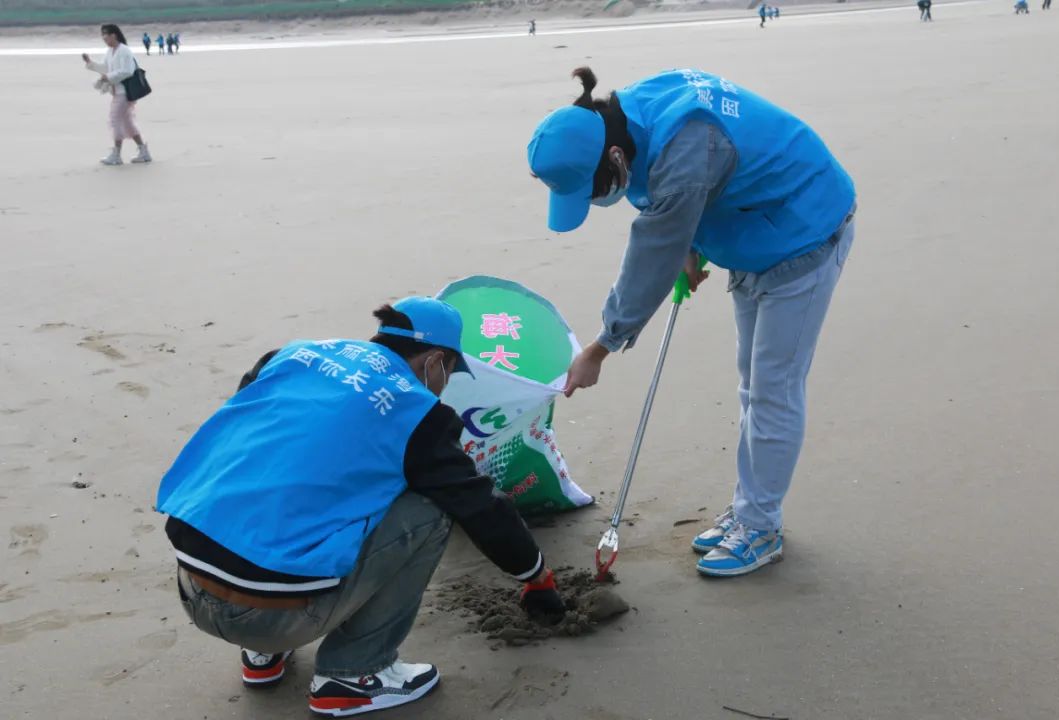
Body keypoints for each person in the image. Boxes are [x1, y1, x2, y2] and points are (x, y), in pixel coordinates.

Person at [157, 297, 567, 716]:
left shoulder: (289, 356)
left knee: (276, 471)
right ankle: (355, 673)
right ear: (434, 361)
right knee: (430, 505)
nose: (445, 384)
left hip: (192, 584)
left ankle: (262, 656)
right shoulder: (418, 412)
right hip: (268, 614)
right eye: (449, 373)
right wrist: (536, 576)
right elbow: (479, 505)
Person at [527, 68, 856, 578]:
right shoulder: (630, 115)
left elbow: (652, 254)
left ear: (614, 157)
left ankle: (761, 527)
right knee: (753, 386)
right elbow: (707, 184)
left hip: (802, 233)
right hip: (753, 230)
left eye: (592, 191)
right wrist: (695, 243)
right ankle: (750, 510)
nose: (595, 201)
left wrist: (600, 347)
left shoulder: (682, 152)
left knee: (773, 389)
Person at [82, 24, 152, 166]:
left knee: (115, 120)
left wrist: (107, 77)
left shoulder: (124, 50)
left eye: (105, 35)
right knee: (127, 122)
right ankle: (143, 151)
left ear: (114, 35)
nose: (103, 38)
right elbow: (106, 67)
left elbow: (127, 71)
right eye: (102, 35)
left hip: (124, 92)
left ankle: (117, 154)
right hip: (117, 92)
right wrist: (90, 63)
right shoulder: (110, 51)